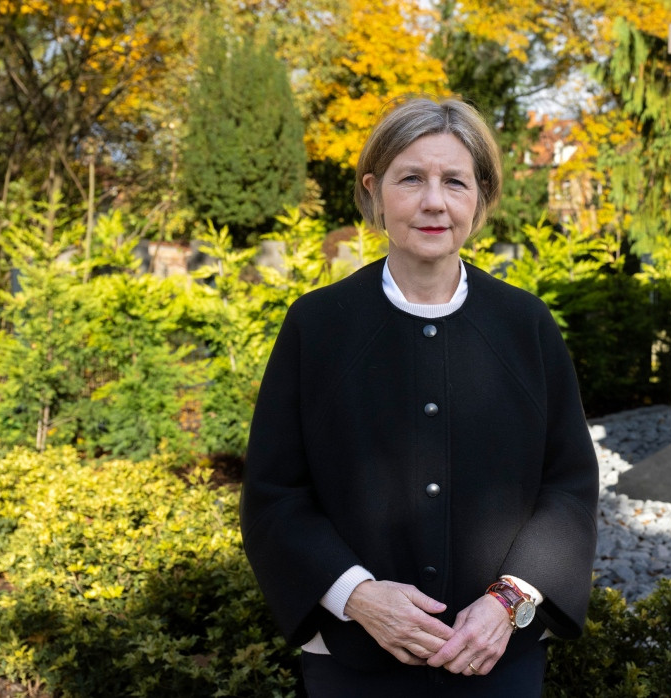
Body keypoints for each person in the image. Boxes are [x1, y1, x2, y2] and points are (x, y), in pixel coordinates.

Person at [239, 96, 600, 697]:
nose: (434, 201)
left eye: (455, 181)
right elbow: (275, 495)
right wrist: (358, 595)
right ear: (375, 192)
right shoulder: (317, 326)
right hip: (352, 660)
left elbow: (568, 486)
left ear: (480, 197)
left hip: (497, 657)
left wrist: (508, 602)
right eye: (411, 179)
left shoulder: (526, 325)